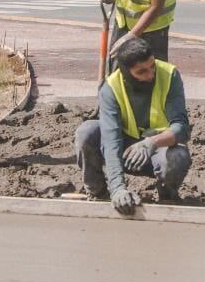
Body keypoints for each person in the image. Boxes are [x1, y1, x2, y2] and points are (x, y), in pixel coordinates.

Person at [73, 36, 191, 214]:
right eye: (141, 72)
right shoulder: (111, 88)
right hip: (123, 151)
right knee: (86, 132)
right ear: (127, 72)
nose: (150, 74)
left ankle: (167, 196)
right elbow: (111, 141)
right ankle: (98, 193)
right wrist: (118, 188)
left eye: (152, 66)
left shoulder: (169, 75)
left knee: (179, 156)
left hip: (156, 151)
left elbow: (181, 129)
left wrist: (151, 143)